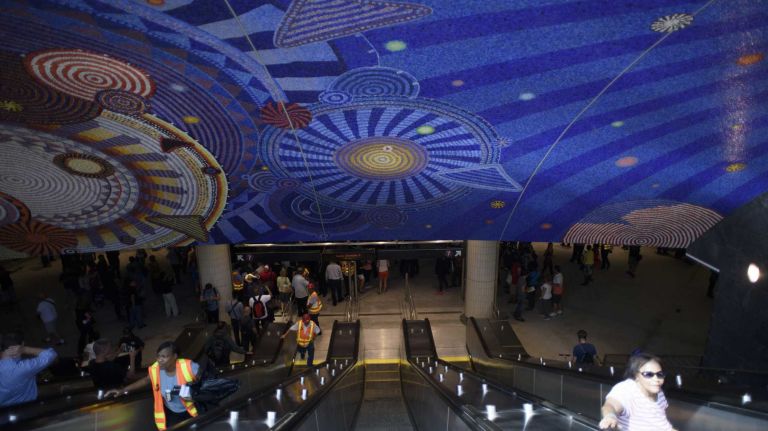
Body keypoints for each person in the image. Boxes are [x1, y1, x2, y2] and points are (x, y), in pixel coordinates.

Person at [105, 341, 199, 430]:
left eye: (164, 356)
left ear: (174, 356)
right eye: (158, 356)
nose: (159, 360)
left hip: (191, 411)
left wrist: (190, 392)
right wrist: (123, 390)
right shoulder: (156, 369)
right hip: (171, 413)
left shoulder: (188, 366)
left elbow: (205, 384)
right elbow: (146, 380)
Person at [599, 353, 676, 430]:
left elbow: (661, 423)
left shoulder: (659, 392)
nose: (656, 379)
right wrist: (610, 416)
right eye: (648, 374)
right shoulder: (626, 389)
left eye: (660, 374)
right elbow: (611, 405)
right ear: (636, 376)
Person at [0, 332, 58, 407]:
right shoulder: (21, 368)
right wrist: (25, 349)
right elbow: (51, 355)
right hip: (24, 405)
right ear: (21, 345)